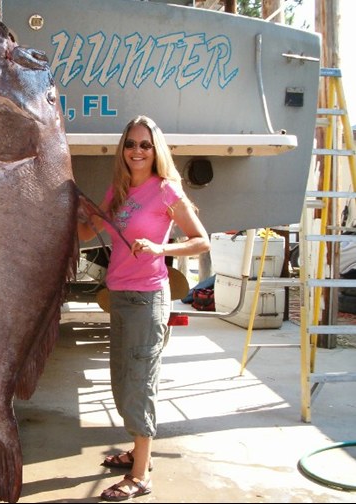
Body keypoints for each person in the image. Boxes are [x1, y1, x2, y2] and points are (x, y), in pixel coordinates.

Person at [77, 115, 210, 500]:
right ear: (123, 150)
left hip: (148, 298)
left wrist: (161, 249)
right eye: (131, 144)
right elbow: (88, 232)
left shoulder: (166, 190)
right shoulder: (117, 191)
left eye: (145, 145)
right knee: (122, 382)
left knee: (139, 385)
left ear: (156, 151)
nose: (137, 151)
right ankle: (139, 453)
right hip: (119, 296)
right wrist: (81, 211)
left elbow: (201, 240)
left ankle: (140, 475)